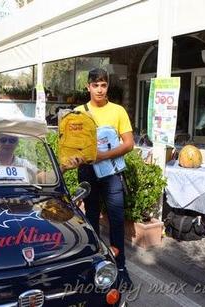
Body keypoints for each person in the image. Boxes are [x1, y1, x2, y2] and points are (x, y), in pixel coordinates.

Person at [73, 68, 135, 289]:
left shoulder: (118, 111)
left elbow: (129, 143)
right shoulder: (79, 112)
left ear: (107, 86)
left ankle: (120, 268)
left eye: (103, 85)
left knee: (117, 222)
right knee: (90, 222)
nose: (99, 89)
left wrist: (104, 156)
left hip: (111, 173)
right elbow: (73, 145)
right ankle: (96, 266)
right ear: (88, 87)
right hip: (88, 172)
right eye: (95, 85)